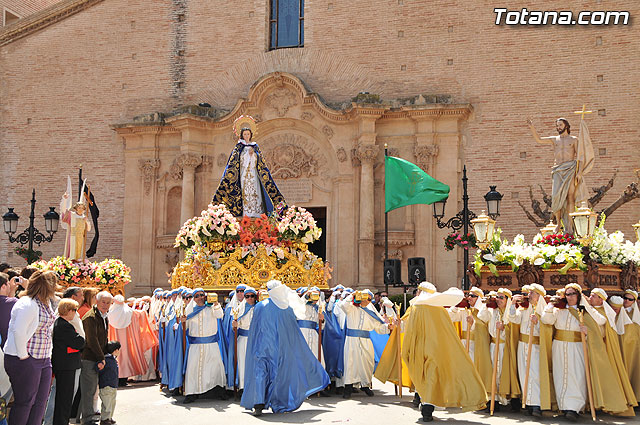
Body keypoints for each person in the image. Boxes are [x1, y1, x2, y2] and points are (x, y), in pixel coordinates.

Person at [241, 280, 330, 416]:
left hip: (262, 348)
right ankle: (276, 403)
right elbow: (292, 332)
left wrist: (254, 346)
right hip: (280, 349)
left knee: (261, 374)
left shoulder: (261, 306)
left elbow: (255, 329)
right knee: (278, 376)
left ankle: (259, 403)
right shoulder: (287, 308)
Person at [402, 284, 487, 422]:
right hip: (436, 350)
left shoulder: (415, 308)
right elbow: (447, 332)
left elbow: (409, 331)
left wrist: (408, 349)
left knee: (423, 377)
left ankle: (427, 406)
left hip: (419, 348)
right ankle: (427, 406)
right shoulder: (440, 310)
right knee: (431, 378)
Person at [3, 269, 57, 425]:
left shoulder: (45, 302)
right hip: (25, 359)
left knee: (40, 402)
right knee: (25, 401)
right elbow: (18, 331)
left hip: (43, 359)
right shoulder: (27, 304)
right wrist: (24, 356)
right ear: (45, 287)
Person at [527, 117, 593, 233]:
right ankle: (558, 223)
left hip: (570, 169)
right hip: (558, 170)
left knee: (570, 197)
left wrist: (579, 172)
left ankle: (570, 226)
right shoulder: (554, 139)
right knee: (556, 197)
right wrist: (532, 128)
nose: (558, 127)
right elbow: (539, 140)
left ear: (566, 126)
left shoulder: (574, 140)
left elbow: (580, 157)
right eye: (557, 126)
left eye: (560, 125)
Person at [212, 115, 286, 217]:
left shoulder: (255, 146)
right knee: (245, 191)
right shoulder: (239, 147)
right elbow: (236, 162)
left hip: (253, 172)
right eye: (245, 134)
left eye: (248, 134)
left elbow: (260, 162)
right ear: (241, 135)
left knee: (256, 190)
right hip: (243, 173)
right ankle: (246, 212)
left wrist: (253, 155)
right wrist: (247, 154)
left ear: (251, 135)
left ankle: (257, 212)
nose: (246, 136)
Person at [337, 289, 392, 398]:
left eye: (367, 299)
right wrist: (352, 295)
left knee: (367, 363)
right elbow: (343, 305)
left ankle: (365, 385)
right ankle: (348, 388)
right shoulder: (351, 308)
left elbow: (379, 327)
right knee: (351, 363)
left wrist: (388, 327)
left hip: (366, 340)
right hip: (352, 340)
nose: (365, 301)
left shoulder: (371, 311)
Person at [508, 284, 549, 417]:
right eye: (529, 293)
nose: (529, 295)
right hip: (523, 345)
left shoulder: (544, 310)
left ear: (539, 296)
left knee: (535, 375)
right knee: (524, 373)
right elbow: (514, 318)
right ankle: (528, 403)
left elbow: (548, 325)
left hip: (535, 346)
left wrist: (538, 322)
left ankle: (537, 404)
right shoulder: (524, 309)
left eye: (532, 293)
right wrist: (513, 304)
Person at [477, 287, 520, 411]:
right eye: (498, 297)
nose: (499, 300)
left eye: (502, 297)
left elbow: (514, 323)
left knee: (505, 372)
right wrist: (486, 304)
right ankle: (493, 400)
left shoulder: (512, 311)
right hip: (494, 345)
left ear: (507, 299)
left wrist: (504, 328)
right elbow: (481, 317)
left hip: (506, 346)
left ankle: (510, 399)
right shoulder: (492, 311)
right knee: (493, 372)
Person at [182, 288, 227, 403]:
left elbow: (220, 315)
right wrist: (181, 322)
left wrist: (216, 304)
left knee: (215, 367)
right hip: (195, 346)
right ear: (193, 298)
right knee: (193, 369)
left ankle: (218, 390)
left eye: (202, 295)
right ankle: (191, 393)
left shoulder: (211, 308)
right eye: (196, 296)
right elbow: (183, 327)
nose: (200, 298)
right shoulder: (189, 310)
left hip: (211, 344)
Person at [80, 291, 113, 425]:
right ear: (97, 302)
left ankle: (91, 417)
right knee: (89, 390)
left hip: (98, 357)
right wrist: (101, 358)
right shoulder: (91, 317)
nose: (105, 305)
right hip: (89, 357)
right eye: (103, 302)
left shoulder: (104, 316)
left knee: (96, 389)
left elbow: (102, 338)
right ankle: (87, 419)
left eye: (108, 303)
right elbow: (91, 340)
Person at [52, 299, 86, 425]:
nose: (75, 313)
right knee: (65, 398)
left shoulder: (60, 323)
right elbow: (79, 342)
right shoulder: (64, 325)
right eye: (74, 310)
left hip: (65, 365)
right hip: (66, 365)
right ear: (69, 311)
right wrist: (81, 339)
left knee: (63, 397)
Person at [229, 287, 257, 392]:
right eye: (247, 296)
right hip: (243, 340)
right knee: (242, 363)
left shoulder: (259, 308)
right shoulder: (240, 309)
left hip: (255, 340)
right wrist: (234, 325)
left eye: (252, 296)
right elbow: (236, 325)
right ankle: (243, 387)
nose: (249, 298)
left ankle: (255, 387)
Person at [98, 341, 120, 425]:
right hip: (106, 385)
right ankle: (105, 419)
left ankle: (109, 417)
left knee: (112, 402)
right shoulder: (106, 360)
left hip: (112, 385)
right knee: (107, 403)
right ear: (115, 350)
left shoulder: (112, 360)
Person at [0, 273, 18, 348]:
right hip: (7, 349)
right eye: (8, 284)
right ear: (3, 286)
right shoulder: (12, 303)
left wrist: (12, 290)